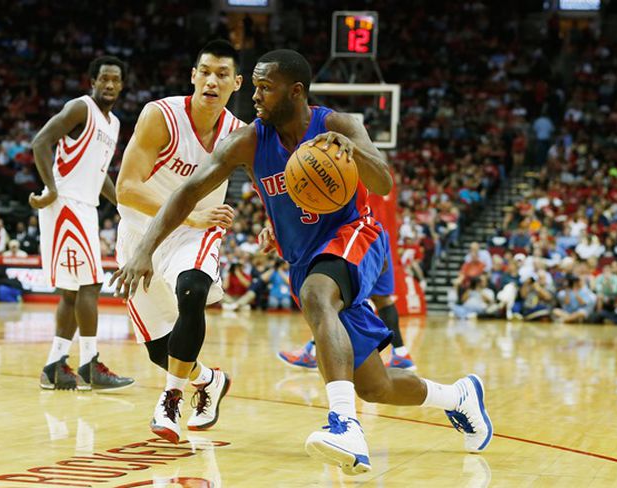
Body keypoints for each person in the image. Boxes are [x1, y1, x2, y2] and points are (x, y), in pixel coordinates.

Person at [111, 49, 492, 475]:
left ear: (296, 92)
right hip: (305, 257)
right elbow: (188, 192)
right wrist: (144, 248)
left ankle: (345, 426)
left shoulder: (338, 125)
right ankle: (458, 397)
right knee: (375, 385)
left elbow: (382, 181)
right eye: (254, 86)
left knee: (317, 295)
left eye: (264, 88)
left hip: (354, 236)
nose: (254, 96)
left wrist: (352, 151)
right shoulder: (248, 140)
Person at [114, 40, 243, 442]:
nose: (211, 80)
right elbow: (126, 188)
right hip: (141, 232)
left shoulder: (240, 135)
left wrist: (276, 224)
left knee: (192, 289)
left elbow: (272, 185)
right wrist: (189, 212)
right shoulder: (161, 116)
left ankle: (170, 399)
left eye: (222, 74)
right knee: (159, 348)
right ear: (193, 76)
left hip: (197, 231)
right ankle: (209, 380)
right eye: (204, 71)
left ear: (236, 83)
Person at [30, 55, 134, 392]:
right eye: (103, 78)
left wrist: (124, 205)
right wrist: (50, 188)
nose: (109, 85)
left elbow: (100, 174)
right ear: (92, 81)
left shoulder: (114, 124)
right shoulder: (80, 108)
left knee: (73, 292)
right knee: (89, 285)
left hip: (86, 206)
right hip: (66, 204)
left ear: (122, 85)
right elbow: (41, 142)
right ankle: (89, 365)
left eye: (115, 80)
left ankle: (54, 366)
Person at [277, 171, 416, 370]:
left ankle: (314, 351)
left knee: (332, 296)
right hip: (380, 235)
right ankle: (401, 353)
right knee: (380, 298)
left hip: (361, 235)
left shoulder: (354, 173)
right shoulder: (386, 180)